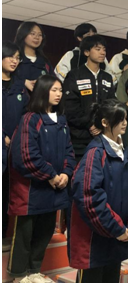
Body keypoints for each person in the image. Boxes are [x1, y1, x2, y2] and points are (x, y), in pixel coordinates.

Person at [8, 75, 75, 283]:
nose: (58, 94)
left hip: (54, 189)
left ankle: (34, 271)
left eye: (60, 90)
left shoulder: (61, 120)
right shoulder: (30, 118)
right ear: (43, 91)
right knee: (25, 234)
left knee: (44, 233)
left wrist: (66, 173)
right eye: (54, 90)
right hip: (30, 190)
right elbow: (26, 155)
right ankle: (19, 275)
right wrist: (51, 175)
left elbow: (69, 151)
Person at [69, 99, 128, 283]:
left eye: (126, 118)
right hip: (94, 239)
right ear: (104, 122)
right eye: (120, 119)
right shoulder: (95, 153)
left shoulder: (125, 152)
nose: (125, 123)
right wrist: (117, 228)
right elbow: (90, 199)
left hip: (119, 235)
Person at [62, 35, 116, 162]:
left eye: (104, 49)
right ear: (86, 52)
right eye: (98, 49)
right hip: (79, 136)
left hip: (103, 134)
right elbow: (70, 107)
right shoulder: (74, 75)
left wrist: (102, 125)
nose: (102, 52)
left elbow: (111, 104)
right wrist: (90, 124)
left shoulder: (107, 77)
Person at [2, 41, 30, 250]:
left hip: (14, 147)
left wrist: (17, 137)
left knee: (6, 192)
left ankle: (3, 235)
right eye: (10, 56)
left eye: (17, 58)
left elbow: (25, 116)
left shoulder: (19, 85)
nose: (14, 60)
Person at [13, 21, 54, 91]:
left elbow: (53, 81)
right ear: (23, 34)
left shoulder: (45, 62)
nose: (36, 37)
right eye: (33, 34)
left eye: (40, 35)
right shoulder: (14, 58)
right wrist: (23, 82)